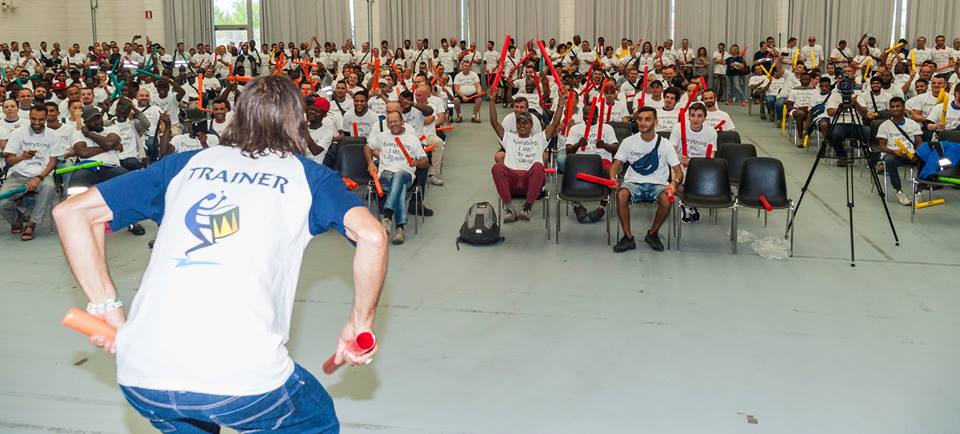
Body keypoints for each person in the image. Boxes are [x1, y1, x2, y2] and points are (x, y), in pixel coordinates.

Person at [52, 75, 386, 432]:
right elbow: (372, 236)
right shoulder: (307, 178)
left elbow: (71, 212)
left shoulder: (183, 166)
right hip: (244, 380)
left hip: (143, 375)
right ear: (297, 121)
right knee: (314, 421)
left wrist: (108, 311)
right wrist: (359, 324)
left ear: (237, 115)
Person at [611, 106, 683, 253]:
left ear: (656, 122)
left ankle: (652, 234)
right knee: (622, 194)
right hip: (633, 182)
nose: (643, 123)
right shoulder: (628, 142)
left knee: (666, 199)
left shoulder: (665, 144)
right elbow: (616, 165)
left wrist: (674, 183)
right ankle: (628, 237)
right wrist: (612, 177)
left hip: (658, 184)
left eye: (648, 119)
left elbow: (678, 172)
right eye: (640, 119)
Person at [489, 87, 564, 223]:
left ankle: (527, 207)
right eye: (519, 123)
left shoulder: (539, 139)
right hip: (512, 179)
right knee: (497, 167)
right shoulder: (509, 138)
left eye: (525, 123)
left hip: (530, 180)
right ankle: (509, 208)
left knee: (538, 166)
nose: (522, 125)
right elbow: (494, 123)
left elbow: (555, 124)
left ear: (531, 126)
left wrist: (560, 104)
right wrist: (492, 101)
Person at [365, 110, 429, 244]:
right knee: (400, 187)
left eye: (396, 121)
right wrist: (371, 163)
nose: (393, 124)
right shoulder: (382, 136)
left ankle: (387, 216)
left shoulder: (412, 139)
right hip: (386, 175)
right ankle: (400, 228)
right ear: (387, 124)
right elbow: (367, 147)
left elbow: (425, 162)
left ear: (402, 122)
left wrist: (416, 162)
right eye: (390, 122)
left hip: (406, 174)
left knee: (399, 176)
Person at [0, 104, 59, 241]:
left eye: (41, 119)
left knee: (49, 187)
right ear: (29, 117)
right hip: (18, 175)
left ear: (46, 118)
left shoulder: (53, 136)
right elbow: (9, 160)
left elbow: (52, 162)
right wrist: (22, 157)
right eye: (33, 119)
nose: (37, 123)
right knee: (2, 201)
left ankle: (32, 224)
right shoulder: (17, 133)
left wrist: (39, 177)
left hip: (42, 174)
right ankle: (16, 220)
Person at [669, 102, 716, 223]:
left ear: (705, 117)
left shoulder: (711, 132)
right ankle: (689, 205)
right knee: (678, 185)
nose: (695, 119)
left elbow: (711, 156)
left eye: (699, 116)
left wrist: (695, 164)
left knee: (697, 185)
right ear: (688, 116)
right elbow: (670, 151)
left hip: (700, 167)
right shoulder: (679, 127)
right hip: (680, 165)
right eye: (692, 115)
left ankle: (689, 204)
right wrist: (677, 157)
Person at [871, 96, 922, 206]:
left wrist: (917, 154)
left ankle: (918, 192)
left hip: (910, 154)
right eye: (892, 107)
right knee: (889, 160)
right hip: (892, 154)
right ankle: (899, 191)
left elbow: (919, 142)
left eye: (898, 106)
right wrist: (894, 152)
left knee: (924, 161)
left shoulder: (913, 124)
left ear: (903, 108)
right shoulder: (884, 126)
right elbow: (882, 147)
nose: (895, 109)